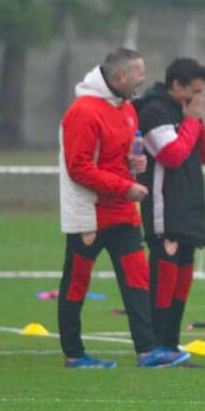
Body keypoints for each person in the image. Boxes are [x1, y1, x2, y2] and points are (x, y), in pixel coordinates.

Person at [56, 48, 191, 368]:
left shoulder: (128, 109)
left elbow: (118, 158)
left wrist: (135, 164)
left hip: (123, 214)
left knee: (138, 280)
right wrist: (124, 186)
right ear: (120, 77)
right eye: (138, 74)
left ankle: (147, 351)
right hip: (89, 214)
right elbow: (79, 168)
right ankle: (74, 354)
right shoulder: (84, 112)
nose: (143, 79)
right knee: (77, 283)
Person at [134, 57, 205, 352]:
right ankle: (156, 344)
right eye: (194, 91)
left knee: (182, 281)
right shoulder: (155, 111)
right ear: (176, 86)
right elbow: (172, 155)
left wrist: (196, 119)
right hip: (165, 212)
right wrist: (191, 121)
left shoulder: (185, 113)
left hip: (190, 210)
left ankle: (171, 342)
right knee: (165, 281)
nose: (199, 98)